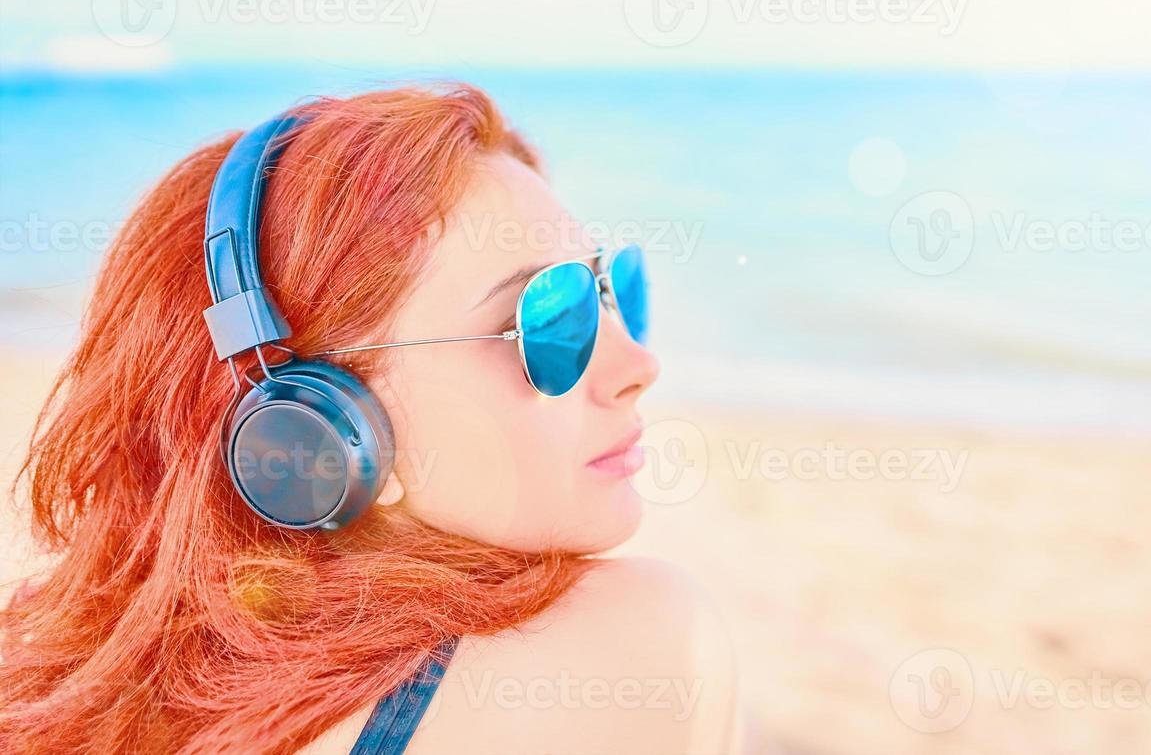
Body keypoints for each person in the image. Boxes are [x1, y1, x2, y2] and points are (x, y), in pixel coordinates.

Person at [0, 85, 741, 754]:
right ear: (319, 427)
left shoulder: (71, 690)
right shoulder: (644, 642)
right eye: (549, 317)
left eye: (613, 292)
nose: (639, 367)